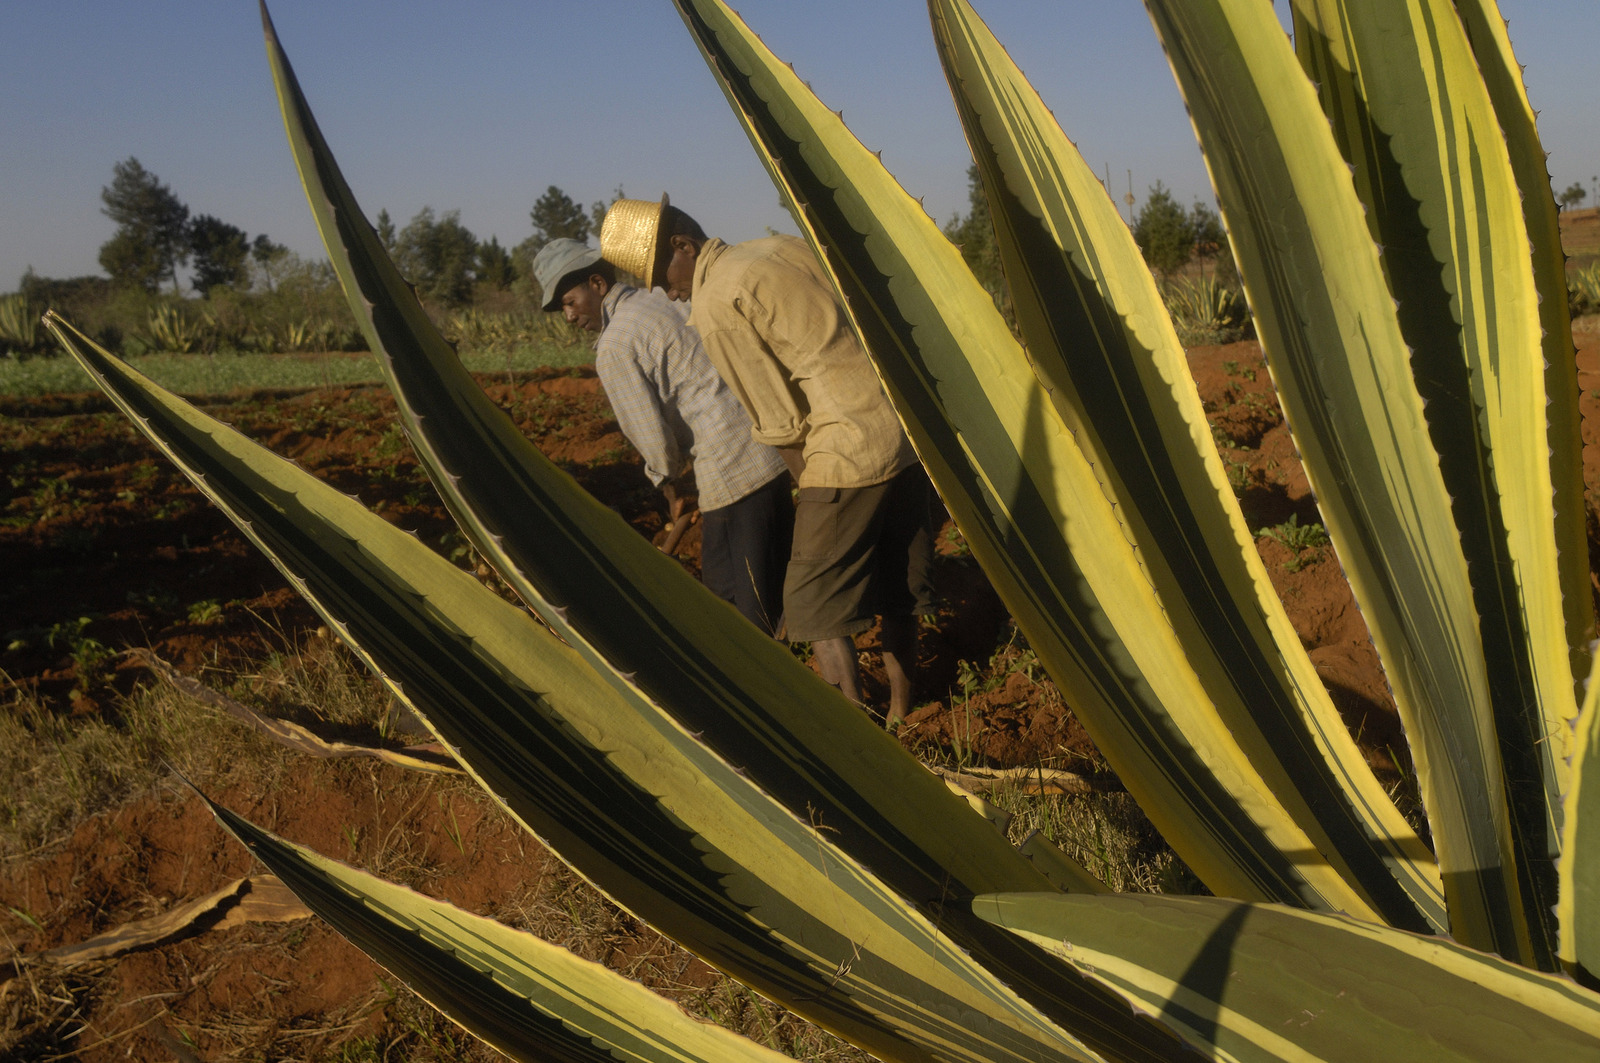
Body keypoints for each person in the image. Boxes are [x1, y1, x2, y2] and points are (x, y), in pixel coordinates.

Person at [599, 196, 935, 728]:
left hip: (846, 445)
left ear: (683, 246)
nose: (665, 291)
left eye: (661, 274)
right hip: (907, 431)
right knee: (899, 587)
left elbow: (778, 422)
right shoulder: (779, 247)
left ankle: (859, 733)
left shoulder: (714, 305)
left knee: (809, 606)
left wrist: (810, 494)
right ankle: (903, 715)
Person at [531, 238, 792, 635]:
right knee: (758, 582)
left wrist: (669, 484)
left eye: (569, 301)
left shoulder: (615, 345)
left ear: (597, 284)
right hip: (769, 450)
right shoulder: (660, 298)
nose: (568, 316)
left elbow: (654, 443)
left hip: (730, 468)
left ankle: (775, 687)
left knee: (743, 604)